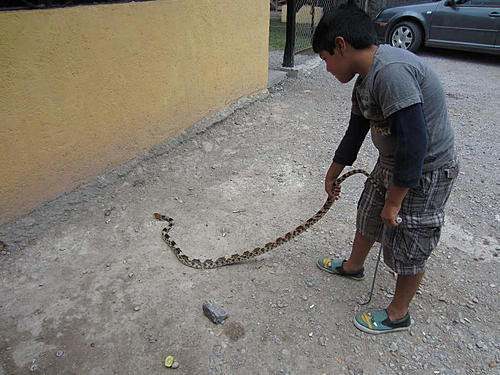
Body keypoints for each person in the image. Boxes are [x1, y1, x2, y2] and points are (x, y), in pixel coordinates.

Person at [312, 4, 459, 334]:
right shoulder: (364, 79)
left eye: (325, 59)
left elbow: (414, 143)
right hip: (394, 161)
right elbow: (356, 130)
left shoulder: (390, 73)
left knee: (410, 238)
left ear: (341, 45)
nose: (327, 69)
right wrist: (333, 171)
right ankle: (353, 267)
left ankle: (398, 313)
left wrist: (395, 201)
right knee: (368, 212)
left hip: (426, 169)